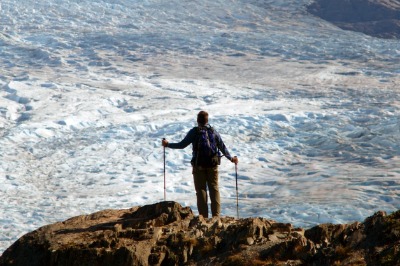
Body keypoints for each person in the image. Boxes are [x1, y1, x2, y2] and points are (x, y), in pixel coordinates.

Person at [162, 111, 238, 218]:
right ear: (207, 120)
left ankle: (203, 217)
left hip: (199, 166)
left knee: (201, 190)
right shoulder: (213, 131)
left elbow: (182, 145)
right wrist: (231, 159)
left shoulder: (194, 132)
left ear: (198, 120)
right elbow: (222, 147)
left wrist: (168, 145)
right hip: (213, 165)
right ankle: (216, 217)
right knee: (214, 189)